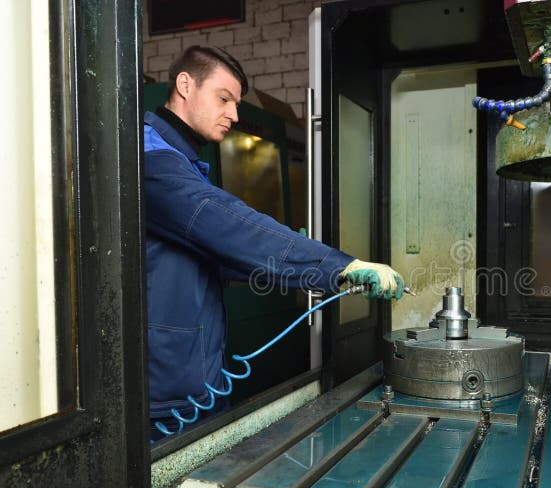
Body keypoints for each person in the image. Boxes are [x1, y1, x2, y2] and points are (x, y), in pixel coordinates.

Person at [144, 46, 403, 441]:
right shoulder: (151, 158)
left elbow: (212, 255)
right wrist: (339, 266)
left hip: (197, 380)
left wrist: (296, 264)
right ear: (184, 85)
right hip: (165, 396)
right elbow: (226, 226)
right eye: (223, 98)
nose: (233, 114)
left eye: (236, 103)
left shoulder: (185, 164)